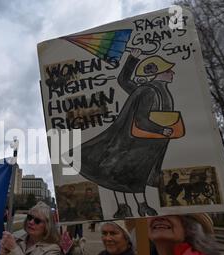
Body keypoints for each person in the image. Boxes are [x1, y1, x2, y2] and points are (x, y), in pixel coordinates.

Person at [71, 49, 180, 219]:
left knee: (122, 176)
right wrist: (161, 130)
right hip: (135, 143)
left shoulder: (151, 90)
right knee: (121, 176)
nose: (172, 73)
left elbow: (123, 80)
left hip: (143, 143)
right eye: (168, 70)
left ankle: (134, 207)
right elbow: (141, 119)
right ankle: (131, 207)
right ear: (159, 73)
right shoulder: (149, 91)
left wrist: (133, 58)